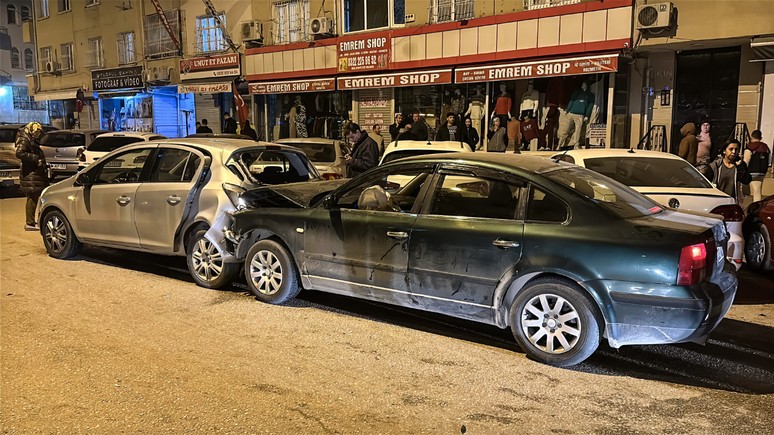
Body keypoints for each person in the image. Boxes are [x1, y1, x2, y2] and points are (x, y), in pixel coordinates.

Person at [15, 122, 49, 231]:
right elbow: (19, 153)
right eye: (37, 132)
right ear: (31, 130)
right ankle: (30, 222)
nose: (38, 134)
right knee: (33, 196)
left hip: (35, 172)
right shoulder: (25, 139)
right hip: (31, 173)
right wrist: (35, 158)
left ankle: (33, 221)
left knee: (35, 196)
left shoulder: (30, 138)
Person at [706, 139, 751, 204]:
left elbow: (746, 180)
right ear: (724, 151)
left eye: (736, 149)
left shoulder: (739, 165)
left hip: (733, 202)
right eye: (731, 149)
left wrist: (740, 166)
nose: (734, 152)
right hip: (717, 201)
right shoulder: (716, 165)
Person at [743, 130, 771, 203]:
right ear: (760, 137)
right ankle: (757, 205)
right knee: (758, 190)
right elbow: (769, 161)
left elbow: (746, 161)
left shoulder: (750, 147)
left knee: (755, 191)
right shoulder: (766, 147)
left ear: (752, 137)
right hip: (762, 171)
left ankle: (756, 207)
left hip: (752, 171)